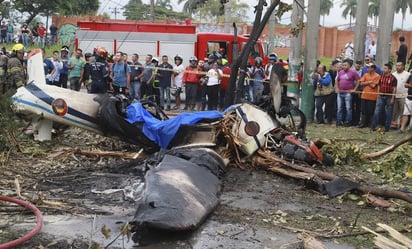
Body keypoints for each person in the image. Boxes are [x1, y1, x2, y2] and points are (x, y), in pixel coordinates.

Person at [371, 63, 397, 132]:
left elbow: (394, 88)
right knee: (377, 111)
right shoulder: (381, 76)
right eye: (383, 68)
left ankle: (387, 127)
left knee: (389, 112)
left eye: (385, 68)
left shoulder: (393, 78)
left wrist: (392, 98)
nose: (383, 69)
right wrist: (378, 93)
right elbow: (379, 85)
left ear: (389, 70)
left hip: (389, 96)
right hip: (381, 96)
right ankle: (374, 126)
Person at [336, 59, 360, 126]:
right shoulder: (340, 72)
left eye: (345, 65)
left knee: (348, 108)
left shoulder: (353, 72)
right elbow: (337, 80)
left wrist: (354, 89)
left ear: (349, 66)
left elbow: (358, 81)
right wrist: (337, 88)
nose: (344, 66)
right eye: (343, 65)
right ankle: (339, 121)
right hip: (340, 92)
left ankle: (348, 122)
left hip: (348, 93)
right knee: (339, 108)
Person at [357, 63, 380, 128]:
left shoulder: (377, 76)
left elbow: (373, 86)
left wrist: (366, 82)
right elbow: (361, 83)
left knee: (371, 111)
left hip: (372, 96)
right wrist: (369, 82)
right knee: (363, 110)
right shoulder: (365, 74)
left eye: (369, 67)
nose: (367, 69)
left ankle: (371, 124)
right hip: (364, 95)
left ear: (373, 68)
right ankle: (362, 124)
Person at [391, 62, 410, 128]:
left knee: (403, 111)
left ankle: (402, 125)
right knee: (395, 111)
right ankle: (394, 124)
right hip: (395, 95)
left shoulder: (407, 74)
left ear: (403, 66)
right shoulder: (393, 74)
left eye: (399, 65)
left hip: (404, 95)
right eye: (396, 65)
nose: (397, 67)